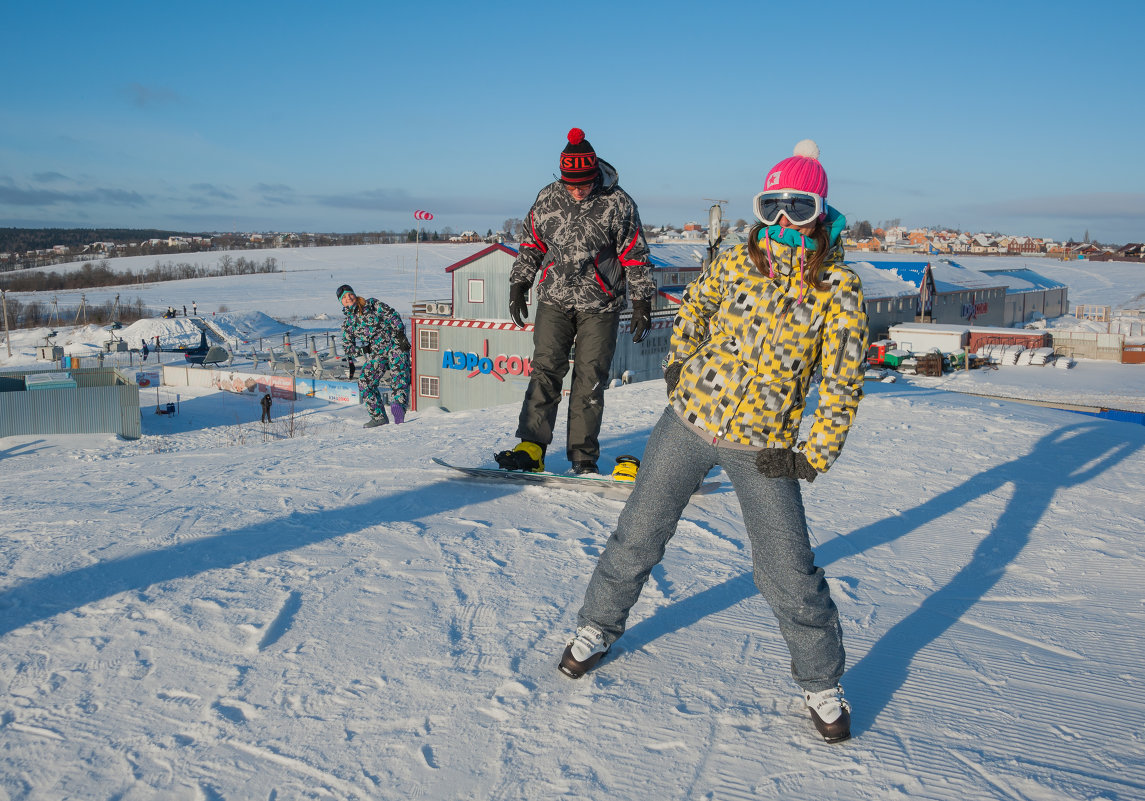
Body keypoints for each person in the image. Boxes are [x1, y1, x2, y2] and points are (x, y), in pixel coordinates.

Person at [559, 141, 869, 744]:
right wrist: (680, 364)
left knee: (786, 566)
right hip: (690, 418)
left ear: (820, 212)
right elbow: (696, 307)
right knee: (639, 531)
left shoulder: (839, 287)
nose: (781, 221)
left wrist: (813, 451)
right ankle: (596, 625)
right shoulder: (734, 258)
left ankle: (821, 680)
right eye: (771, 205)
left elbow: (842, 377)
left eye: (796, 208)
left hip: (764, 443)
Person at [495, 127, 655, 476]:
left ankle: (583, 458)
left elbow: (635, 255)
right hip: (554, 299)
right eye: (571, 184)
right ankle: (531, 448)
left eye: (583, 184)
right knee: (545, 371)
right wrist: (520, 281)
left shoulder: (618, 202)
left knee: (590, 380)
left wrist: (642, 300)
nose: (577, 191)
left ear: (595, 174)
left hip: (601, 304)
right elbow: (532, 242)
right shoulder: (549, 197)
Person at [337, 284, 411, 427]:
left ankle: (398, 408)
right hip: (377, 352)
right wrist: (364, 349)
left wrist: (400, 334)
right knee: (364, 381)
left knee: (399, 375)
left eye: (349, 294)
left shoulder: (371, 304)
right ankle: (378, 417)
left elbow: (392, 315)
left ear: (354, 294)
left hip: (395, 344)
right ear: (341, 302)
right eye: (344, 297)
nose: (348, 298)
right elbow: (347, 347)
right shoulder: (348, 324)